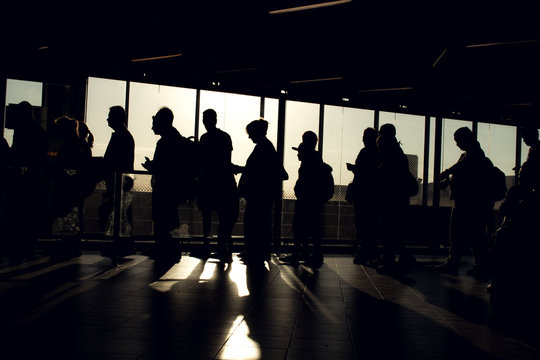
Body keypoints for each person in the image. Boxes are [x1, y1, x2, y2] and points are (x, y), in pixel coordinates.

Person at [437, 127, 495, 279]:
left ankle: (456, 262)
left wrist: (447, 173)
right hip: (470, 203)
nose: (457, 144)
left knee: (459, 234)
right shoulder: (473, 154)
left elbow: (462, 171)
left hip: (467, 203)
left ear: (465, 139)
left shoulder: (472, 155)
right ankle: (480, 264)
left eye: (458, 141)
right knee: (474, 235)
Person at [142, 107, 196, 265]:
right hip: (173, 188)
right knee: (171, 219)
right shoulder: (176, 139)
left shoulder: (165, 142)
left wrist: (152, 167)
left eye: (155, 122)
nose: (153, 126)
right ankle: (171, 249)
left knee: (163, 219)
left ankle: (164, 248)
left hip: (165, 188)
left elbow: (164, 167)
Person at [238, 119, 288, 266]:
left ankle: (255, 251)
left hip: (258, 195)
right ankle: (259, 252)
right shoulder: (267, 147)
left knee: (254, 223)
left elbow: (256, 171)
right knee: (261, 223)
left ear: (256, 132)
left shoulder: (262, 148)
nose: (249, 137)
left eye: (250, 133)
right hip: (263, 194)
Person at [4, 101, 48, 261]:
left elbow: (16, 153)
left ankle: (17, 245)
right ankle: (27, 244)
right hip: (33, 178)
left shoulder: (21, 130)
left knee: (17, 211)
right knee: (29, 211)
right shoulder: (39, 131)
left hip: (21, 178)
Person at [280, 131, 331, 267]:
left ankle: (299, 254)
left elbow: (305, 181)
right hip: (312, 200)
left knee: (301, 228)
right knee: (312, 228)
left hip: (307, 200)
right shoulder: (315, 158)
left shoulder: (310, 159)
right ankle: (310, 254)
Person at [197, 109, 239, 263]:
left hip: (209, 183)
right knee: (223, 218)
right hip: (221, 183)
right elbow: (225, 161)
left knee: (207, 217)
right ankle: (224, 247)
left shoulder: (204, 138)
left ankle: (208, 246)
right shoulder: (224, 137)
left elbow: (202, 161)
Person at [49, 116, 93, 258]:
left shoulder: (68, 146)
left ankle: (66, 245)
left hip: (67, 187)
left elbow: (61, 166)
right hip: (77, 187)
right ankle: (73, 245)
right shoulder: (81, 145)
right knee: (75, 214)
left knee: (66, 214)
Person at [375, 123, 416, 275]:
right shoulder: (399, 155)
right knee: (392, 232)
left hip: (390, 199)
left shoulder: (389, 156)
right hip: (399, 199)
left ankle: (390, 262)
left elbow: (385, 176)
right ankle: (400, 258)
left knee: (387, 231)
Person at [347, 127, 381, 265]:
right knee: (369, 224)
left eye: (364, 136)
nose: (362, 139)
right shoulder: (378, 153)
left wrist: (354, 169)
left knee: (362, 223)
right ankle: (368, 252)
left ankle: (365, 251)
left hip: (363, 194)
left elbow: (366, 172)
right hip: (371, 195)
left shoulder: (365, 152)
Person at [99, 106, 135, 234]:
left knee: (116, 213)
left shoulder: (120, 136)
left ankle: (119, 242)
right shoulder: (125, 136)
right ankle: (122, 242)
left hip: (117, 182)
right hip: (120, 182)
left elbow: (112, 160)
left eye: (110, 116)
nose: (108, 119)